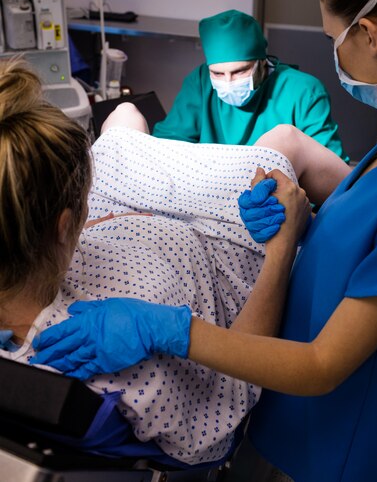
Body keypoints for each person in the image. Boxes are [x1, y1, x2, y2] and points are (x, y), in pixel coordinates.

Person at [34, 0, 377, 482]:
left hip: (337, 456)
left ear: (369, 35)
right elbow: (362, 252)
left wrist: (167, 328)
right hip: (280, 424)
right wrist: (297, 221)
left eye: (332, 36)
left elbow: (321, 365)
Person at [0, 60, 349, 465]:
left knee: (124, 117)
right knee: (285, 144)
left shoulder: (37, 269)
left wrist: (101, 217)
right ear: (63, 226)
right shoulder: (107, 356)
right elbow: (230, 390)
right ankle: (371, 206)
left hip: (128, 213)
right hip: (209, 245)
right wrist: (284, 245)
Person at [152, 8, 349, 161]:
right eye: (218, 73)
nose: (228, 83)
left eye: (240, 71)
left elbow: (328, 168)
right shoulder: (200, 81)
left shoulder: (304, 91)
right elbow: (168, 145)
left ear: (262, 62)